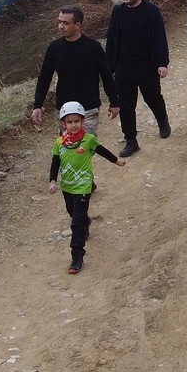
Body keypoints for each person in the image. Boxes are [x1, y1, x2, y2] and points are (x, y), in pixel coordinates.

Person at [47, 101, 126, 274]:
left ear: (82, 122)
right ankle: (85, 222)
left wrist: (116, 161)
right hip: (67, 187)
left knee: (76, 224)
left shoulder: (88, 140)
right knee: (73, 213)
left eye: (77, 121)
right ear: (63, 124)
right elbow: (55, 163)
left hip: (83, 187)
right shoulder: (59, 143)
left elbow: (102, 150)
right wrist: (52, 181)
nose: (73, 125)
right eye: (70, 122)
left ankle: (77, 256)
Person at [31, 5, 120, 140]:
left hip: (88, 108)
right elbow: (44, 77)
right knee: (68, 149)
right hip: (64, 108)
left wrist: (114, 102)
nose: (61, 26)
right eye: (59, 22)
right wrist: (38, 105)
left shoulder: (93, 47)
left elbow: (106, 75)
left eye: (65, 23)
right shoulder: (54, 48)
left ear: (77, 25)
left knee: (85, 147)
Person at [105, 0, 171, 158]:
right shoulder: (117, 12)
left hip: (147, 66)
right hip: (124, 67)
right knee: (126, 105)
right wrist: (108, 66)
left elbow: (160, 38)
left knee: (153, 97)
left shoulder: (151, 11)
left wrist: (162, 63)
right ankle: (131, 141)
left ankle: (162, 120)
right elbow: (111, 39)